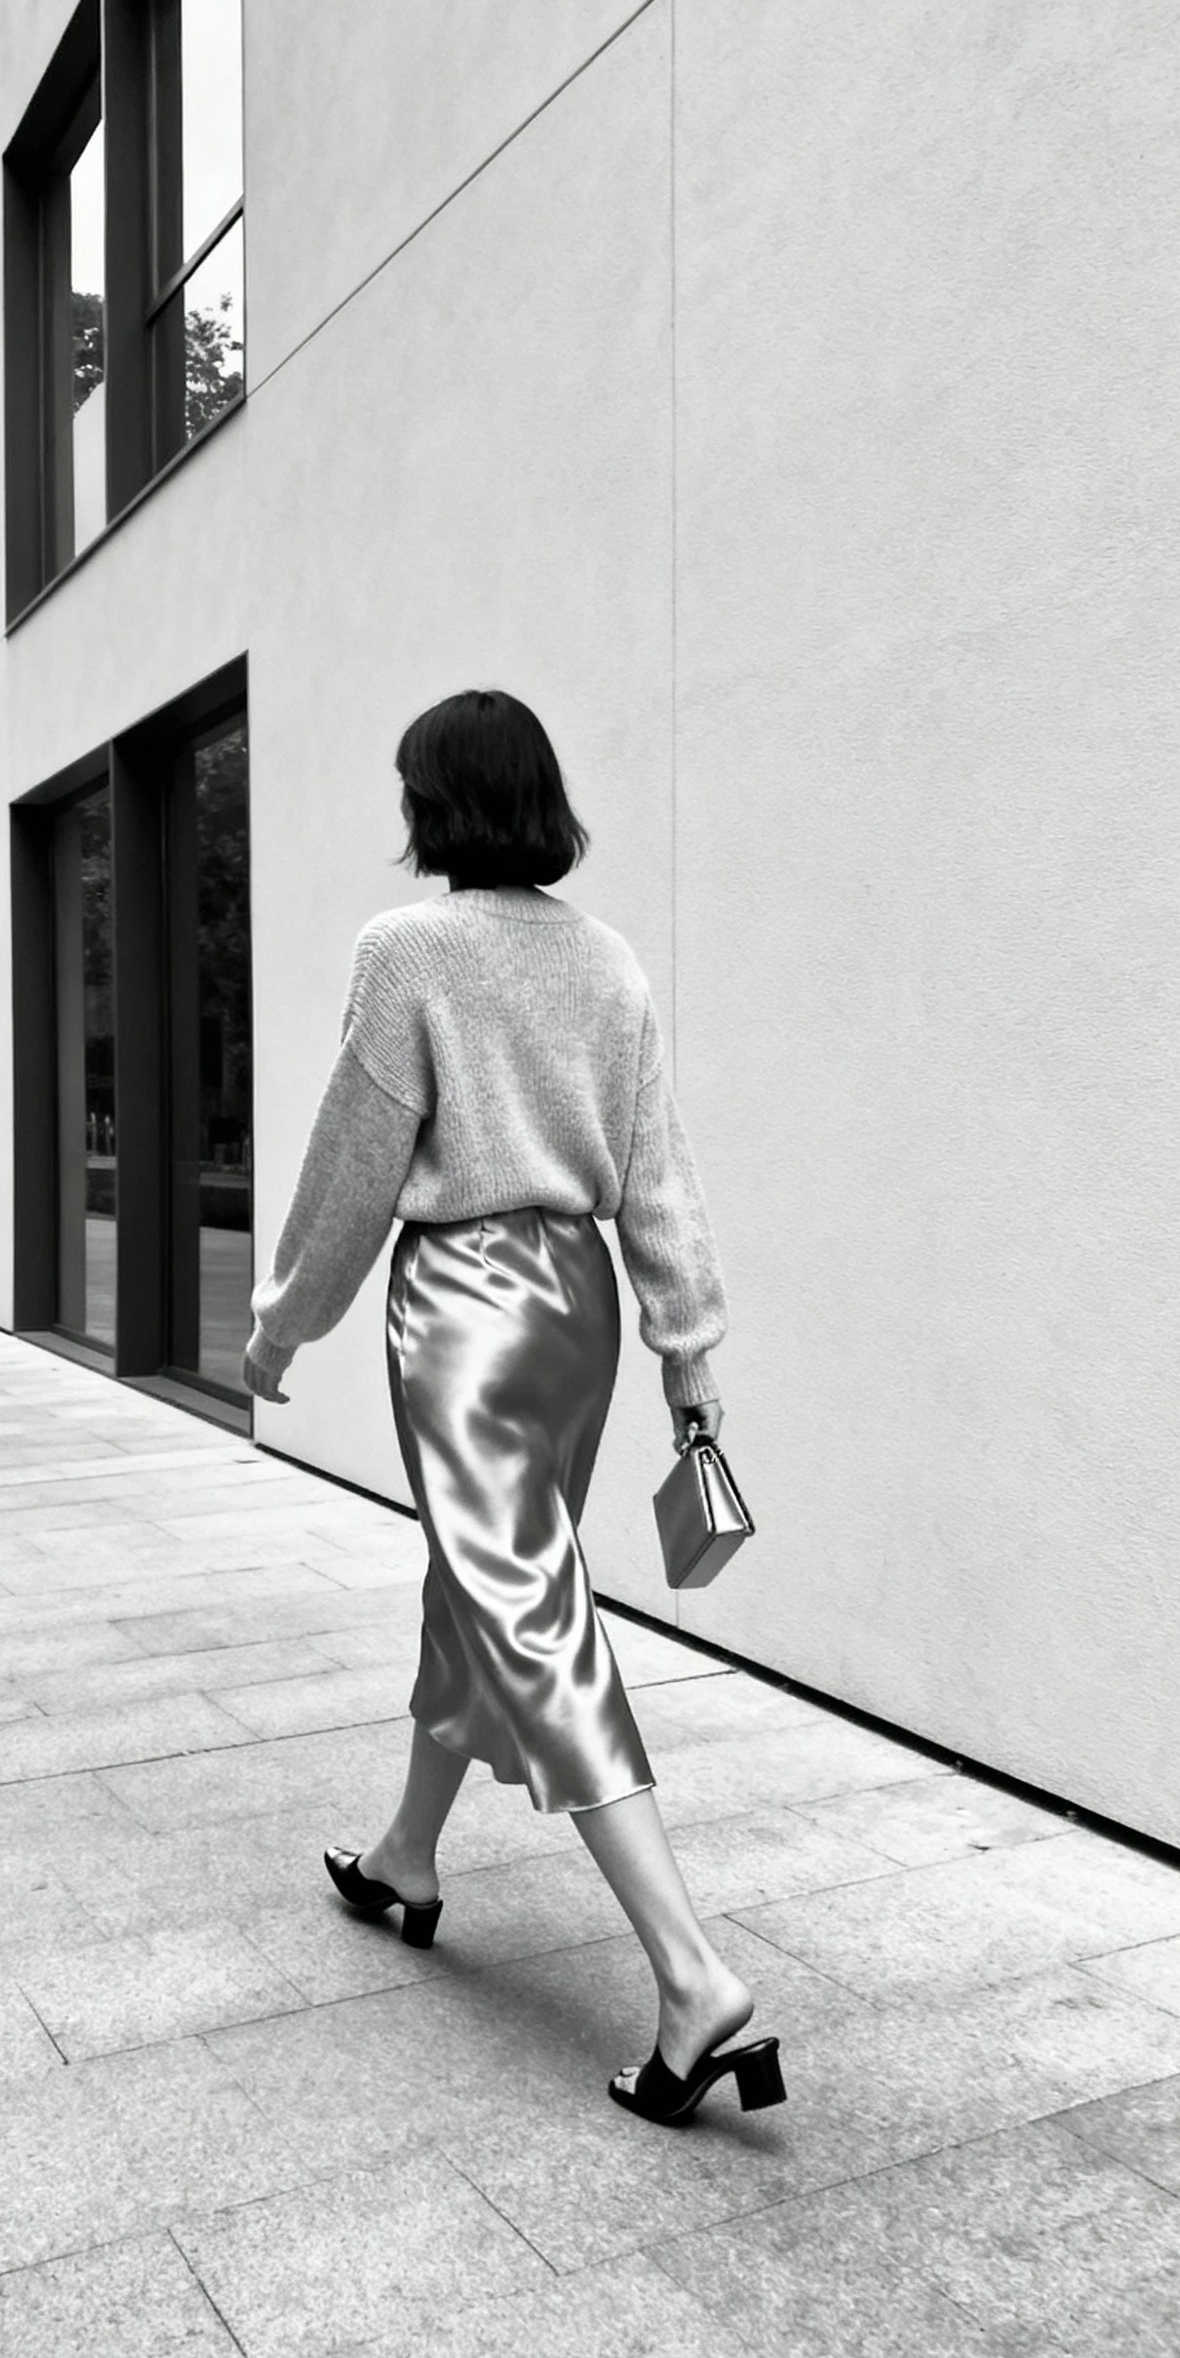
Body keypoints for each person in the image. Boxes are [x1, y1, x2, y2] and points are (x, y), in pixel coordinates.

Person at [242, 690, 783, 2125]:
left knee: (525, 1601)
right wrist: (688, 1353)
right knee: (486, 1579)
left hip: (466, 1312)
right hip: (579, 1310)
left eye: (411, 789)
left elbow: (354, 1168)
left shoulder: (407, 950)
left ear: (439, 805)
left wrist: (281, 1327)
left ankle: (692, 1978)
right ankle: (406, 1856)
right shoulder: (609, 961)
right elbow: (658, 1173)